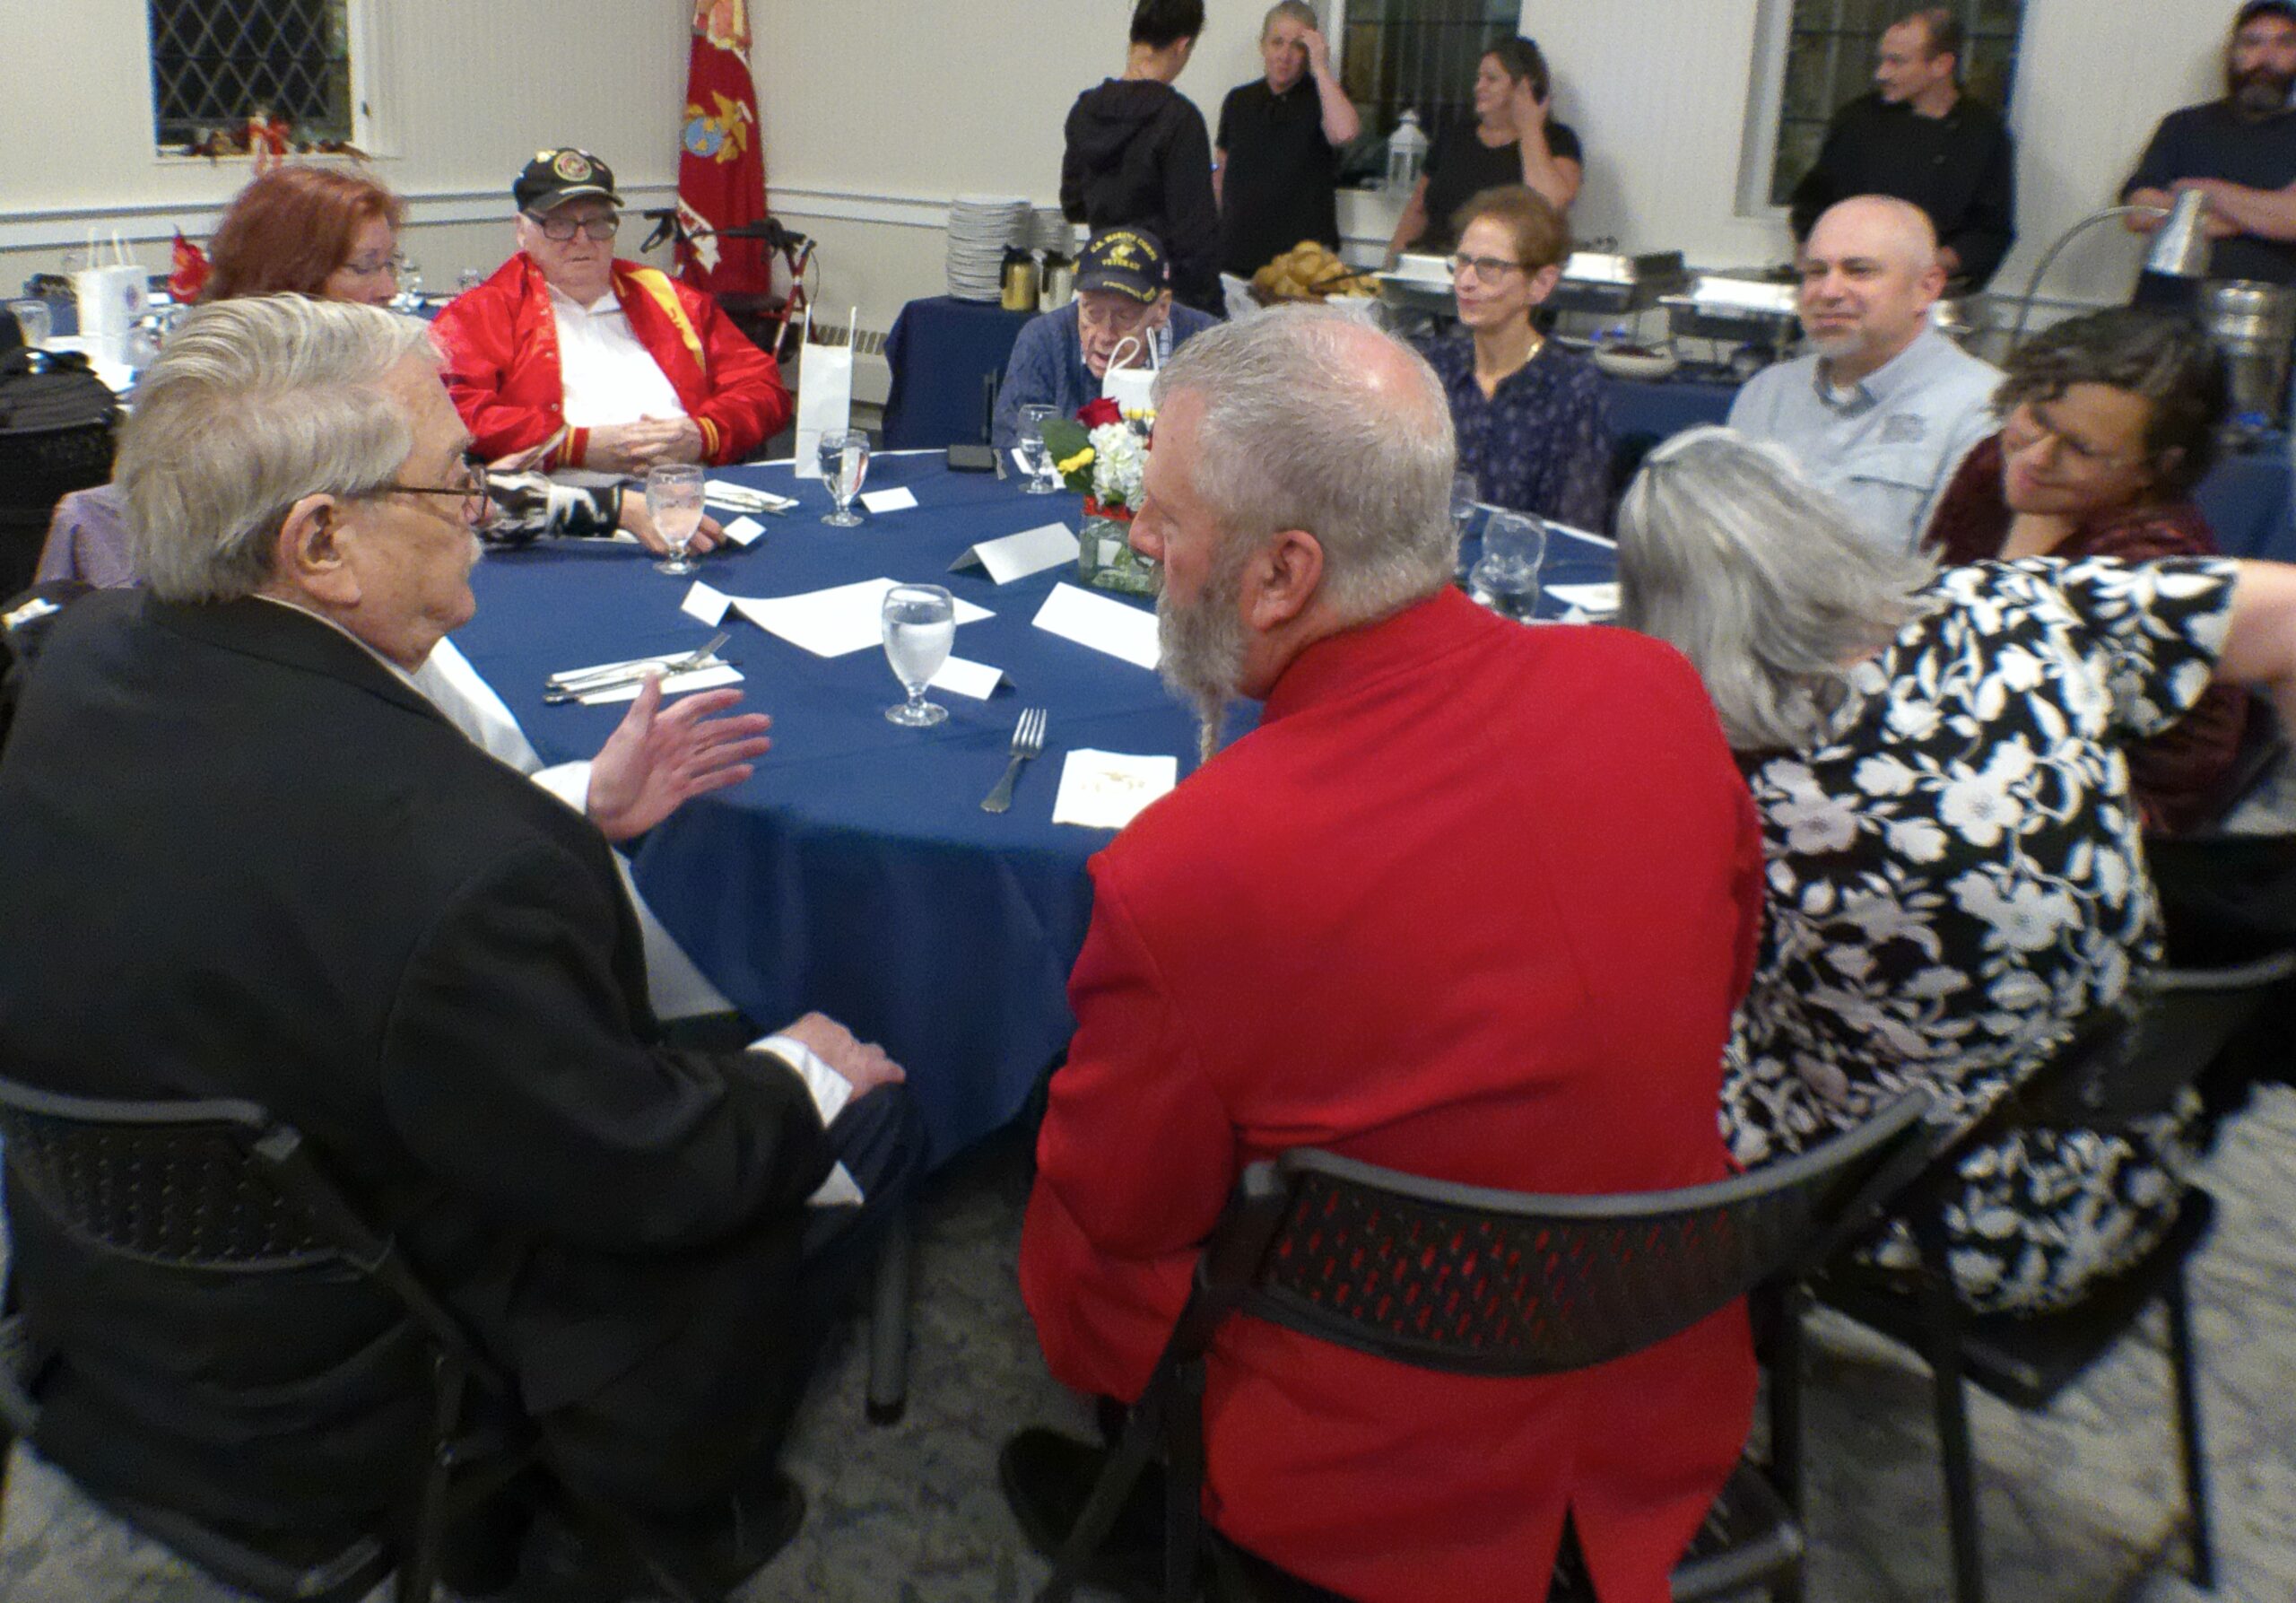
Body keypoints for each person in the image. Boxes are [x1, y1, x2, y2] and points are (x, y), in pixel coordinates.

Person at [0, 297, 920, 1598]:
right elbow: (643, 1162)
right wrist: (804, 1071)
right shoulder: (465, 870)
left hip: (99, 1297)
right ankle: (653, 1521)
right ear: (321, 542)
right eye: (454, 475)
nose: (483, 502)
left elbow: (298, 878)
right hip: (347, 1387)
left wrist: (574, 811)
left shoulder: (77, 657)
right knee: (862, 1103)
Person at [1005, 310, 1766, 1603]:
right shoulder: (1654, 688)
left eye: (1167, 522)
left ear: (1282, 575)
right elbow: (1728, 972)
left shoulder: (1190, 868)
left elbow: (1124, 1206)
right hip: (1659, 1356)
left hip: (1369, 1475)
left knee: (1058, 1188)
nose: (1138, 539)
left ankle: (1153, 1490)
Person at [1616, 425, 2296, 1313]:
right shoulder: (2017, 609)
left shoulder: (1739, 782)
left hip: (1925, 1214)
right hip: (2126, 1145)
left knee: (1596, 1071)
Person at [1927, 308, 2248, 832]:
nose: (2036, 457)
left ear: (2157, 468)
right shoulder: (1997, 467)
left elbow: (2021, 726)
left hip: (2110, 814)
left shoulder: (2151, 561)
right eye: (2038, 418)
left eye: (2081, 449)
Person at [432, 148, 793, 473]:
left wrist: (703, 434)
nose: (582, 239)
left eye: (597, 222)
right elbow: (454, 412)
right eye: (559, 224)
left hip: (690, 488)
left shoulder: (671, 297)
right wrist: (573, 446)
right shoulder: (482, 311)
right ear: (522, 231)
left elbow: (763, 387)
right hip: (565, 501)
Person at [1727, 196, 2000, 549]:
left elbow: (1952, 582)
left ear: (1927, 288)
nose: (1829, 291)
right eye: (1815, 272)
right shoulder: (1766, 394)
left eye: (1859, 271)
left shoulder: (1980, 411)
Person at [1418, 185, 1612, 529]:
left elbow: (1574, 527)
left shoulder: (1571, 388)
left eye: (1489, 267)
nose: (1465, 281)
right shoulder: (1434, 369)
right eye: (1462, 262)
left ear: (1540, 284)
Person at [1787, 8, 2017, 290]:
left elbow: (1990, 233)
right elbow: (1812, 206)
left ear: (1941, 65)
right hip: (1846, 284)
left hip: (1930, 292)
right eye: (1882, 60)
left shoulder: (1982, 133)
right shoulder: (1856, 121)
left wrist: (1922, 267)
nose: (1881, 73)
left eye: (1896, 62)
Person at [1061, 0, 1221, 317]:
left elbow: (1073, 203)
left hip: (1103, 292)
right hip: (1163, 302)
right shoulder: (1178, 119)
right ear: (1182, 45)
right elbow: (1195, 240)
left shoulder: (1084, 111)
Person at [990, 227, 1217, 449]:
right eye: (1092, 313)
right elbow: (1011, 446)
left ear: (1161, 310)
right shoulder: (1043, 339)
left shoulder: (1208, 346)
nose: (1105, 336)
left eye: (1124, 317)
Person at [2125, 0, 2296, 286]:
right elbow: (2140, 213)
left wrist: (2200, 193)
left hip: (2272, 312)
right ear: (2232, 54)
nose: (2266, 57)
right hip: (2170, 307)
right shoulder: (2182, 126)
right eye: (2252, 43)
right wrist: (2268, 215)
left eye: (2284, 44)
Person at [1386, 37, 1584, 263]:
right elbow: (1417, 208)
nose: (1478, 87)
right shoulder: (1456, 135)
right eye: (1478, 78)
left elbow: (1551, 204)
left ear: (1524, 86)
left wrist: (1530, 127)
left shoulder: (1558, 140)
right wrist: (1391, 266)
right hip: (1433, 263)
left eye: (1491, 79)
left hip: (1501, 272)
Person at [1214, 2, 1362, 281]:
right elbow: (1221, 172)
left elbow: (1344, 133)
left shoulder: (1322, 97)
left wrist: (1320, 67)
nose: (1284, 55)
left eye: (1297, 46)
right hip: (1237, 256)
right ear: (1263, 46)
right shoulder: (1239, 100)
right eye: (1277, 43)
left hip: (1304, 265)